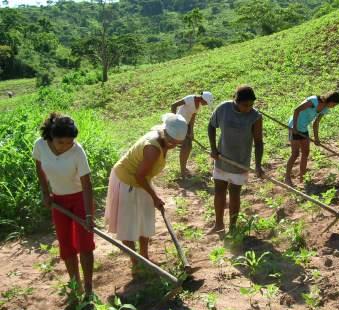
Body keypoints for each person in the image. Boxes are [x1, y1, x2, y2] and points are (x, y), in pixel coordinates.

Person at [105, 113, 188, 269]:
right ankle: (136, 261)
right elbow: (139, 175)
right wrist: (154, 197)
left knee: (145, 219)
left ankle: (144, 256)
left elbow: (144, 174)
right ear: (167, 135)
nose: (175, 146)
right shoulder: (152, 148)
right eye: (174, 143)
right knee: (128, 224)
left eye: (178, 143)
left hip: (142, 180)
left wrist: (153, 196)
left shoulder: (164, 140)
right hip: (126, 180)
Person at [33, 113, 95, 296]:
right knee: (66, 244)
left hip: (79, 199)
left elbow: (87, 183)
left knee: (85, 244)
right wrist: (46, 192)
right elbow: (39, 168)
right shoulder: (40, 146)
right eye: (62, 143)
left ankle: (89, 287)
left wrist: (89, 215)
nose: (66, 147)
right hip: (58, 201)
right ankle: (76, 284)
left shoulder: (77, 151)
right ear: (51, 137)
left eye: (70, 142)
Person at [208, 85, 264, 233]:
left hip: (240, 163)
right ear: (236, 101)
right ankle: (219, 224)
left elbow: (258, 142)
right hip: (222, 159)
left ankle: (232, 227)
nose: (248, 108)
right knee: (219, 191)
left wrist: (258, 165)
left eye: (251, 105)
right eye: (245, 105)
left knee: (234, 194)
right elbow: (211, 126)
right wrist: (213, 148)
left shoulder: (255, 117)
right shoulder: (223, 109)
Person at [285, 91, 339, 186]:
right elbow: (296, 110)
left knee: (305, 152)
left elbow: (316, 123)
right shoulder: (313, 100)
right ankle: (287, 178)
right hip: (294, 126)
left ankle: (303, 178)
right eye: (334, 104)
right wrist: (294, 127)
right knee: (295, 154)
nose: (333, 106)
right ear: (330, 100)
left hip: (303, 127)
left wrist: (316, 138)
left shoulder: (325, 109)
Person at [171, 91, 213, 178]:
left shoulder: (198, 105)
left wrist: (191, 131)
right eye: (206, 102)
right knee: (186, 145)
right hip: (178, 123)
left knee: (189, 146)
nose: (205, 104)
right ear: (203, 99)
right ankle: (182, 170)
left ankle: (183, 166)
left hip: (185, 125)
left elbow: (192, 118)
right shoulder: (190, 98)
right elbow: (173, 105)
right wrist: (173, 119)